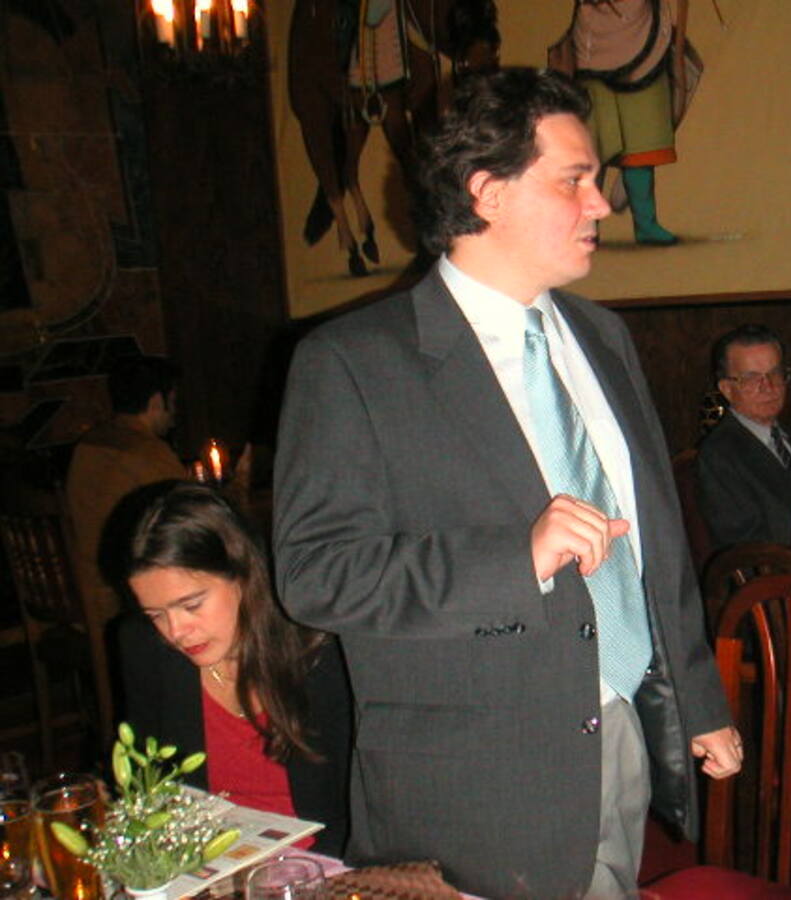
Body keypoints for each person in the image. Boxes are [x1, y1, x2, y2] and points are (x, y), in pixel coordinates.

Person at [272, 67, 738, 898]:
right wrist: (515, 558)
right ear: (487, 192)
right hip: (471, 789)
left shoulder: (602, 336)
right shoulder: (353, 361)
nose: (600, 204)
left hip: (619, 727)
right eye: (574, 180)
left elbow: (655, 536)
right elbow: (316, 574)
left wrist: (696, 696)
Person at [117, 482, 351, 856]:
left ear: (242, 574)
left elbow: (356, 809)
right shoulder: (148, 650)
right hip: (205, 860)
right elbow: (151, 786)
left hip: (315, 862)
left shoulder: (321, 654)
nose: (176, 631)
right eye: (156, 614)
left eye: (191, 605)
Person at [551, 0, 687, 245]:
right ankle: (586, 225)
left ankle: (646, 224)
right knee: (593, 149)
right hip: (594, 45)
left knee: (641, 146)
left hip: (643, 40)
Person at [66, 355, 187, 625]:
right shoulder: (146, 452)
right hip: (119, 600)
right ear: (157, 402)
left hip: (76, 590)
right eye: (174, 401)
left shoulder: (87, 445)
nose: (175, 412)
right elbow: (195, 516)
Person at [697, 324, 791, 548]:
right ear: (727, 389)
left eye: (775, 373)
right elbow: (746, 546)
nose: (768, 386)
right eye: (751, 378)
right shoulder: (719, 455)